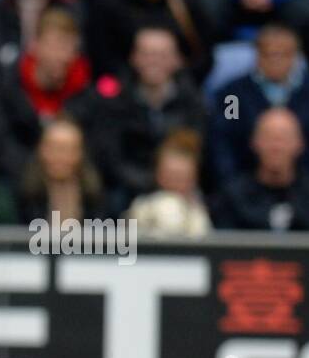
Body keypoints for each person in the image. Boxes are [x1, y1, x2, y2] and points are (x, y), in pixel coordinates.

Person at [67, 25, 206, 210]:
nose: (154, 61)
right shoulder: (112, 101)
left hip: (179, 186)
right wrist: (151, 184)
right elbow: (110, 157)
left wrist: (172, 180)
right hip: (127, 190)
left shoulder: (193, 103)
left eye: (162, 55)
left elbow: (195, 151)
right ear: (134, 57)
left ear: (177, 60)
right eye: (147, 54)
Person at [207, 22, 309, 196]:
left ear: (296, 57)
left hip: (306, 187)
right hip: (245, 187)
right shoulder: (234, 96)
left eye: (283, 54)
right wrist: (230, 181)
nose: (275, 60)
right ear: (257, 55)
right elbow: (222, 140)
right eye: (269, 54)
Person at [0, 6, 93, 179]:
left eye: (67, 47)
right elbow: (3, 144)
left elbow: (92, 148)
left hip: (72, 178)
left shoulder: (85, 93)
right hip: (20, 179)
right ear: (34, 46)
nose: (60, 55)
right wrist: (34, 176)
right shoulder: (10, 87)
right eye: (53, 45)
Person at [212, 107, 309, 231]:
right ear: (254, 142)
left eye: (284, 138)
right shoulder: (231, 199)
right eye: (269, 137)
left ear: (300, 144)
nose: (276, 146)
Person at [17, 115, 107, 223]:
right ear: (40, 150)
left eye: (66, 149)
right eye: (53, 148)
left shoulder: (93, 198)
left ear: (80, 154)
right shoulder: (24, 196)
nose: (59, 157)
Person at [125, 130, 213, 237]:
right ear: (159, 175)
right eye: (171, 175)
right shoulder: (141, 209)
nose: (175, 182)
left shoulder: (200, 215)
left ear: (193, 178)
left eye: (181, 176)